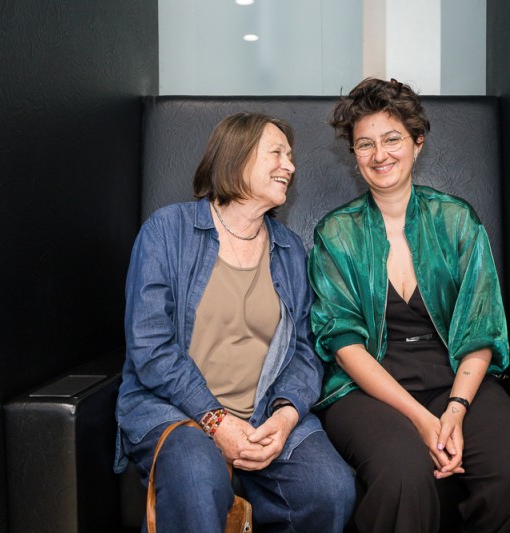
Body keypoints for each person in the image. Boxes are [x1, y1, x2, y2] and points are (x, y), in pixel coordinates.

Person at [308, 78, 510, 533]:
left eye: (392, 138)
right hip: (366, 390)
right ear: (354, 155)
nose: (380, 155)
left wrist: (454, 410)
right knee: (404, 478)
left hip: (455, 380)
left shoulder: (458, 220)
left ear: (417, 142)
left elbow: (481, 330)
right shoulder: (336, 234)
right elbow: (342, 343)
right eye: (365, 144)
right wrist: (423, 420)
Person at [114, 112, 355, 532]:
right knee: (195, 474)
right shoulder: (167, 231)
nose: (290, 166)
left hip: (262, 414)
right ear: (236, 157)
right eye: (276, 153)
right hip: (175, 412)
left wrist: (284, 417)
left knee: (331, 488)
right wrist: (215, 419)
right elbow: (149, 346)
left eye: (291, 156)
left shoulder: (289, 250)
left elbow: (303, 350)